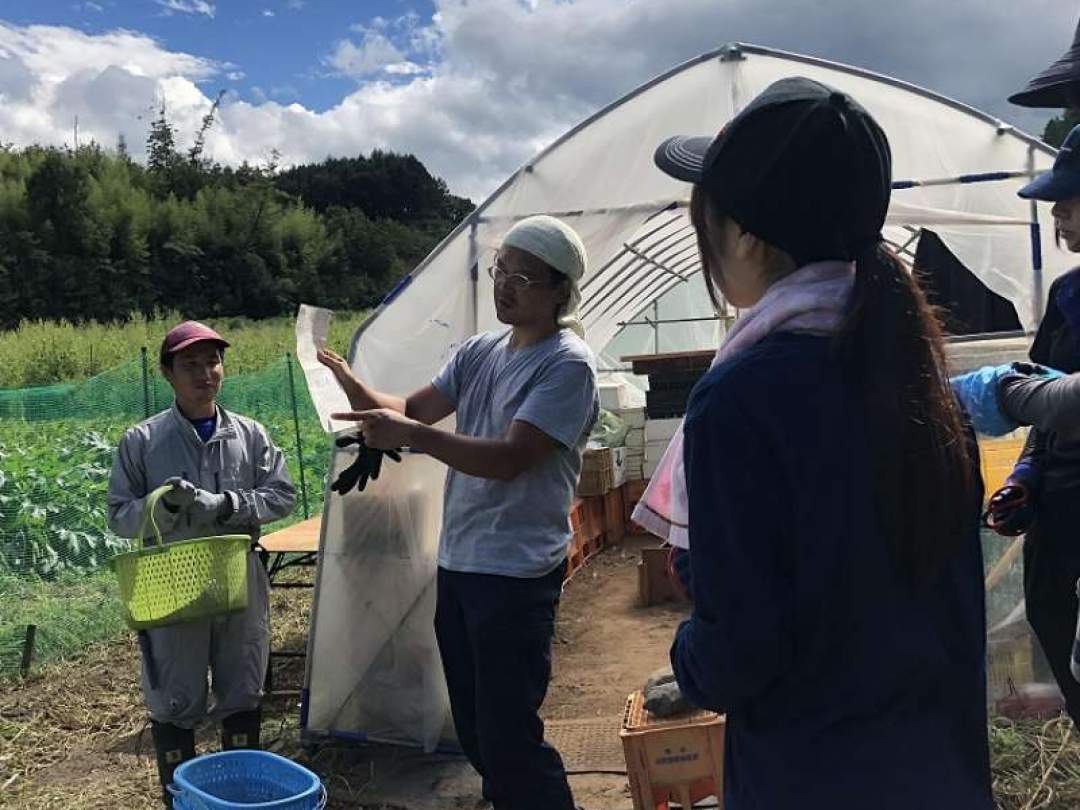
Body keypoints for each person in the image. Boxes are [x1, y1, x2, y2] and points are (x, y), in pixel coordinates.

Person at [648, 78, 993, 808]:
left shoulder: (742, 397)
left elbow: (741, 649)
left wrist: (687, 658)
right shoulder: (918, 375)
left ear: (742, 234)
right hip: (942, 772)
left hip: (813, 774)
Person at [318, 215, 599, 810]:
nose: (505, 285)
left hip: (517, 571)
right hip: (463, 561)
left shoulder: (566, 364)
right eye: (501, 269)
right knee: (475, 726)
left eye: (523, 277)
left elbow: (512, 458)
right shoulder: (479, 353)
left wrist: (412, 435)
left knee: (508, 735)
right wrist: (350, 383)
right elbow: (410, 407)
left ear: (558, 292)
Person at [107, 321, 296, 807]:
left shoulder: (250, 435)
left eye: (212, 362)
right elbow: (119, 516)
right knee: (175, 696)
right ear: (168, 373)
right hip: (172, 581)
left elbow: (281, 496)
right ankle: (182, 798)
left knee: (242, 687)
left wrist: (227, 504)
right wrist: (162, 508)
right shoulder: (142, 441)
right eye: (190, 365)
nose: (204, 373)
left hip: (238, 577)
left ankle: (238, 795)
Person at [959, 124, 1080, 724]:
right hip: (1059, 513)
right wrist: (1027, 477)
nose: (1058, 214)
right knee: (1052, 622)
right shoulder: (1066, 297)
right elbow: (1047, 404)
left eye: (1070, 199)